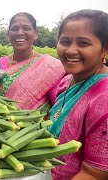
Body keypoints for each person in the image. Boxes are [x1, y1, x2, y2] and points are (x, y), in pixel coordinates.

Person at [48, 9, 108, 179]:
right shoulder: (67, 82)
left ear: (104, 48)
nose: (70, 50)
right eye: (65, 41)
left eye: (83, 43)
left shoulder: (104, 98)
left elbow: (95, 174)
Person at [0, 12, 65, 111]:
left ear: (35, 34)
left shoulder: (49, 66)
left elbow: (59, 106)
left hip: (38, 125)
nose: (20, 33)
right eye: (14, 29)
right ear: (8, 34)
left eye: (26, 28)